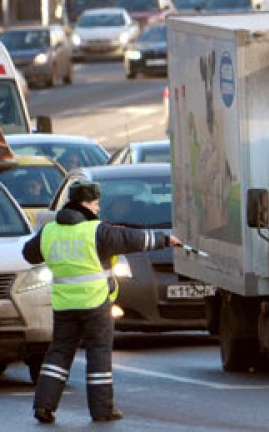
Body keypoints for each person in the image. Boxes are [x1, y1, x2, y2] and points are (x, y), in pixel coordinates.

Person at [23, 181, 182, 424]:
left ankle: (44, 406)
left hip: (64, 304)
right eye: (96, 203)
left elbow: (29, 254)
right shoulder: (95, 231)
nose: (98, 209)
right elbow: (132, 239)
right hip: (95, 303)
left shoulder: (49, 231)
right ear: (85, 204)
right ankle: (102, 410)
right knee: (98, 354)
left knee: (58, 353)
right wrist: (166, 239)